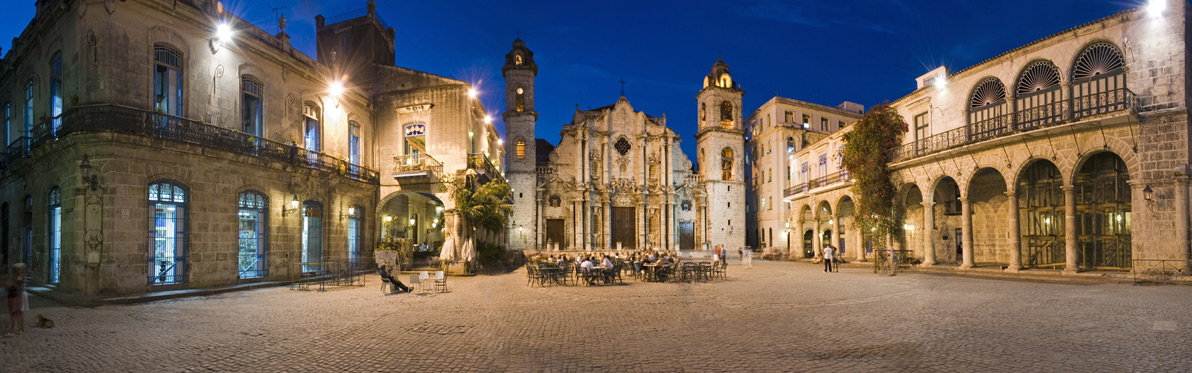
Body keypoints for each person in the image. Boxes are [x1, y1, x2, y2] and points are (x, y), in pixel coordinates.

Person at [6, 263, 27, 336]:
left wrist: (13, 283)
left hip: (20, 294)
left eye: (19, 268)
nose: (17, 270)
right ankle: (14, 328)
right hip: (16, 295)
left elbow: (18, 284)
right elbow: (9, 284)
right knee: (14, 312)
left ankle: (21, 328)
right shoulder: (15, 276)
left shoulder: (22, 276)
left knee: (20, 312)